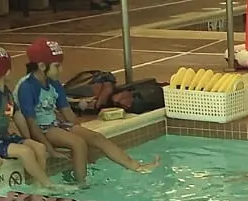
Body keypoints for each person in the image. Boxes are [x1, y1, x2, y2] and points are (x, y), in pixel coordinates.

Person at [14, 37, 160, 186]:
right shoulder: (27, 87)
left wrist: (81, 131)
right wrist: (50, 149)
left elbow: (67, 112)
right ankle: (81, 185)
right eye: (57, 66)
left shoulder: (54, 83)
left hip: (55, 124)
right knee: (78, 144)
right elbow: (31, 123)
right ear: (41, 66)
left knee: (97, 138)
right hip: (41, 130)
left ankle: (136, 166)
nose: (61, 70)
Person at [0, 45, 58, 191]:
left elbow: (17, 115)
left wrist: (27, 139)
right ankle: (49, 184)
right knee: (25, 152)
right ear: (6, 72)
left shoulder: (5, 91)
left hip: (4, 137)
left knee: (39, 147)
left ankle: (39, 185)